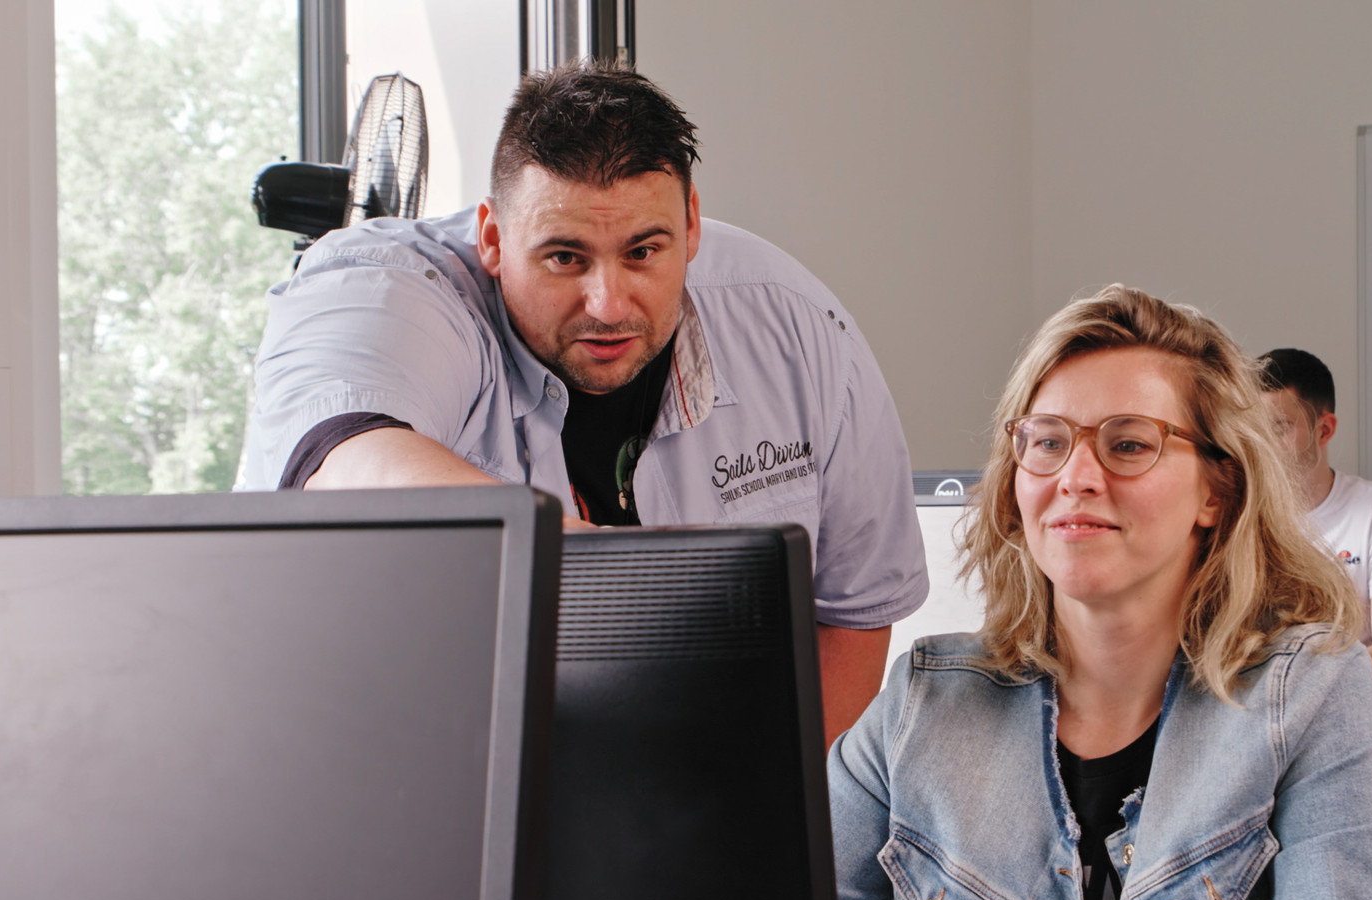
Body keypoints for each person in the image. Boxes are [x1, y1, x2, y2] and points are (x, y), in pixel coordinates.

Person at [236, 63, 927, 740]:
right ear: (493, 237)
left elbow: (850, 612)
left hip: (687, 781)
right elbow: (348, 459)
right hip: (413, 754)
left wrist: (769, 817)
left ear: (691, 224)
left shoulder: (796, 324)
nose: (607, 304)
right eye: (565, 257)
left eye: (642, 252)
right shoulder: (388, 287)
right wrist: (611, 580)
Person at [830, 287, 1372, 900]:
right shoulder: (925, 703)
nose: (1076, 476)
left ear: (1218, 490)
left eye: (1129, 444)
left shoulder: (1311, 693)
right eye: (1047, 442)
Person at [1258, 349, 1372, 688]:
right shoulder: (1237, 514)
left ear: (1324, 430)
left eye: (1278, 429)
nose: (1261, 445)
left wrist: (1299, 681)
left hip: (1348, 713)